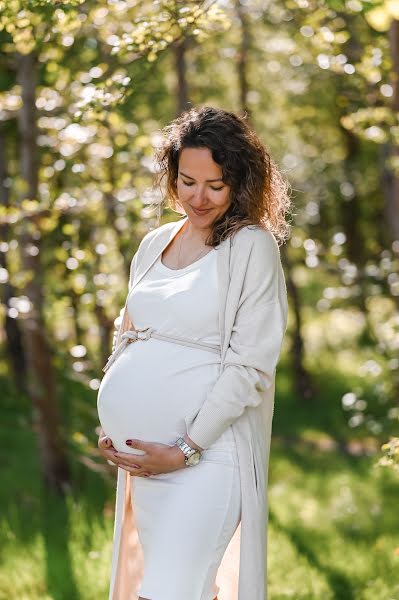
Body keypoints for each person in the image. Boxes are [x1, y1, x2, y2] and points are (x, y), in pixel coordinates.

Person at [97, 106, 292, 600]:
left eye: (215, 185)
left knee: (169, 593)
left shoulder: (251, 247)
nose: (197, 198)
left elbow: (250, 365)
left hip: (207, 459)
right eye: (186, 181)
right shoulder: (154, 243)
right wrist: (112, 427)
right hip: (144, 464)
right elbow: (127, 339)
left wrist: (185, 449)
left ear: (240, 184)